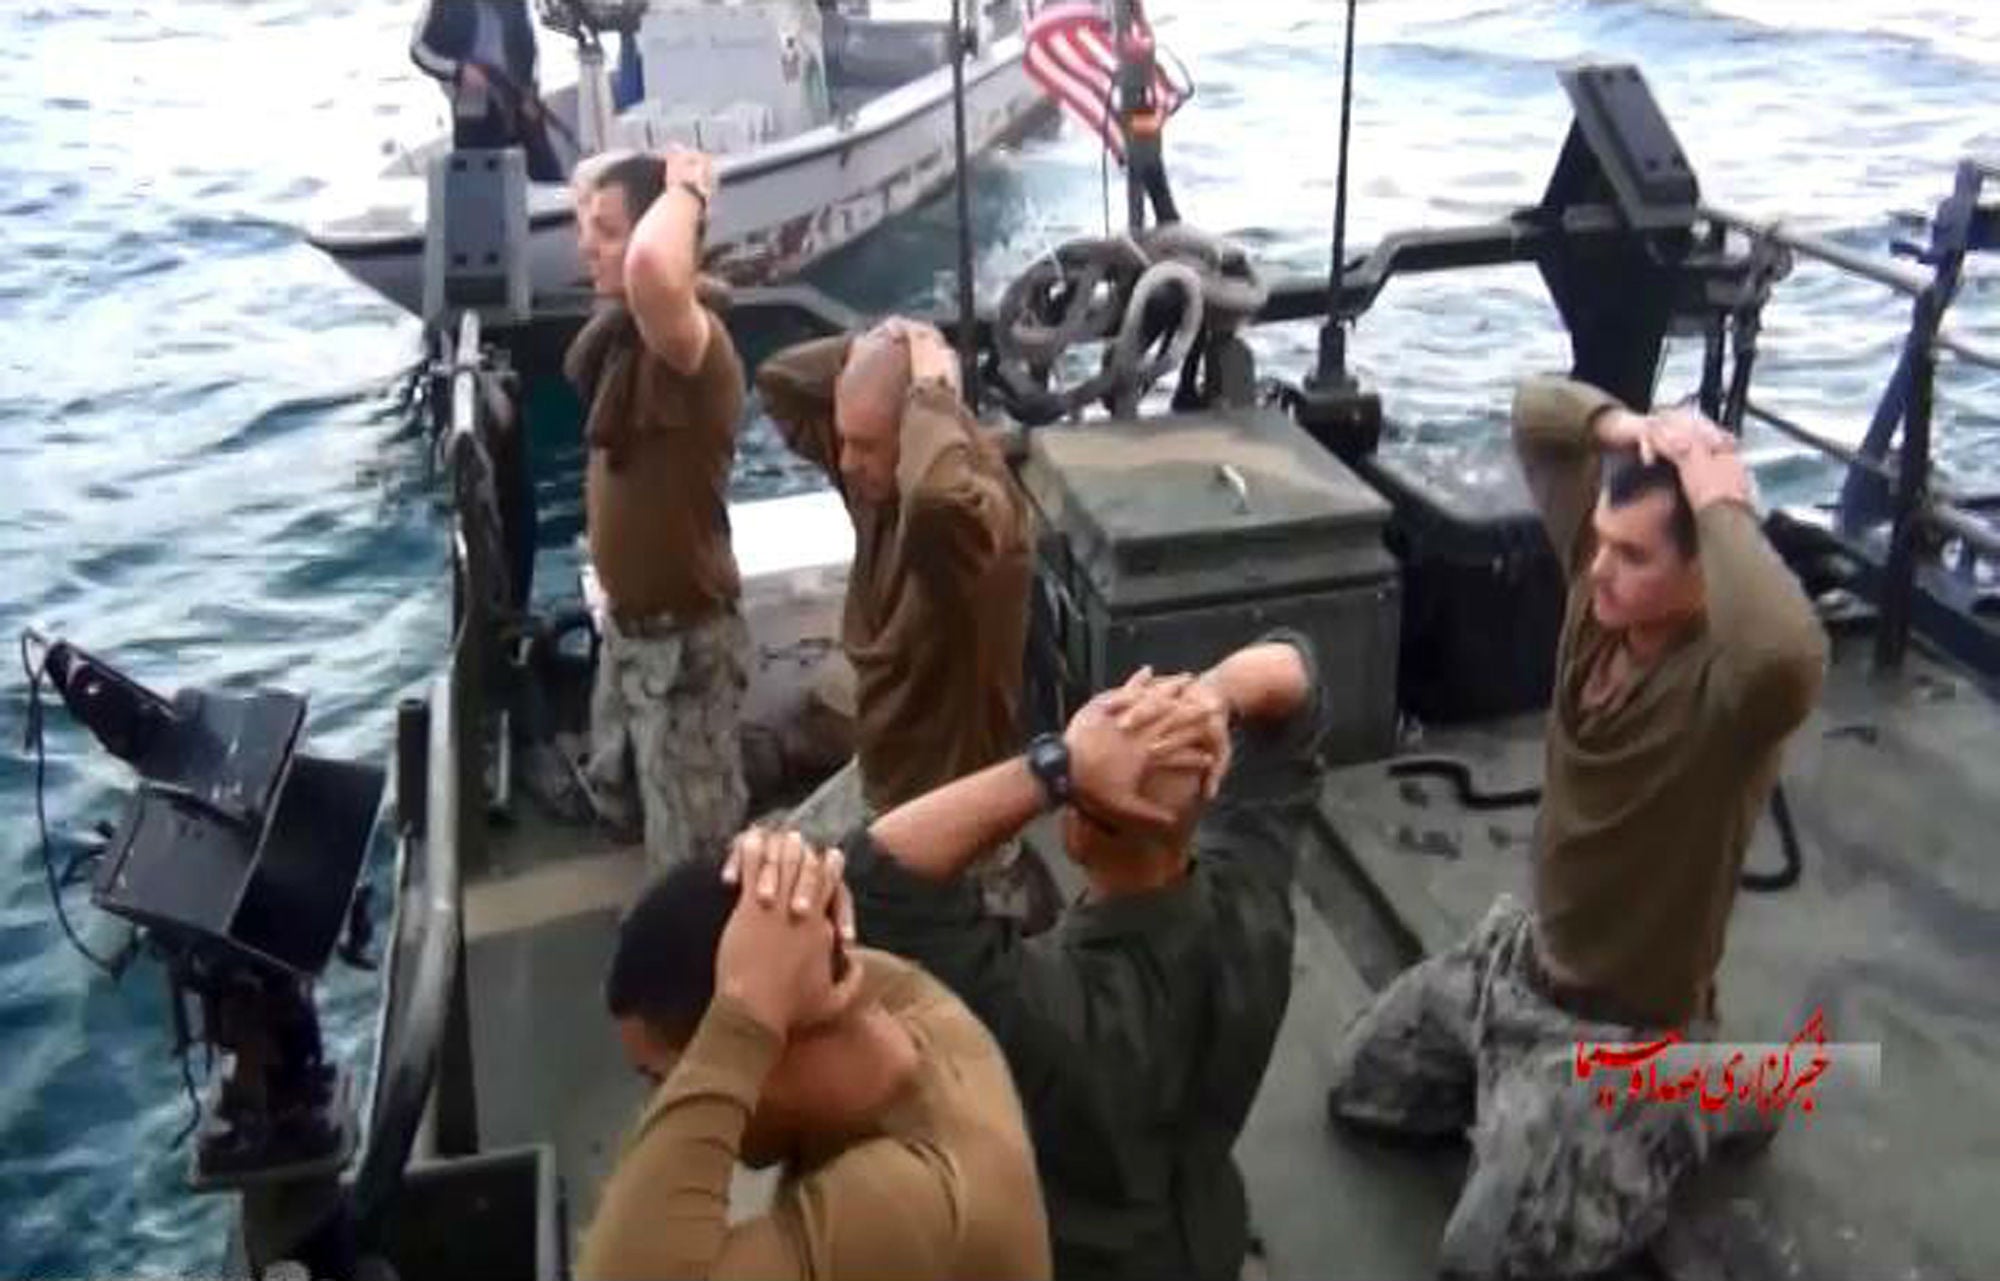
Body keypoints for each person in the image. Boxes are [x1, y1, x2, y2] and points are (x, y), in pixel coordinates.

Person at [1324, 379, 1831, 1280]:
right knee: (1364, 1084)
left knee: (1482, 1256)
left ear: (1703, 571)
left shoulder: (1729, 695)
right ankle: (1548, 1109)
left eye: (1634, 556)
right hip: (1521, 970)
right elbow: (1535, 415)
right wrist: (1641, 431)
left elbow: (1790, 648)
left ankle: (1689, 1099)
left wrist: (1718, 498)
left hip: (1624, 1031)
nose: (1600, 567)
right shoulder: (1599, 607)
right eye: (1600, 540)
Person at [808, 635, 1331, 1281]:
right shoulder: (1255, 899)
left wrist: (1055, 766)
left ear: (1075, 829)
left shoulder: (1049, 1009)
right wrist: (1204, 700)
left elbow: (874, 877)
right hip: (1206, 1231)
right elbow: (1293, 671)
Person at [579, 834, 1053, 1280]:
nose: (661, 1106)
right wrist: (778, 873)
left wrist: (739, 1027)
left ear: (766, 1039)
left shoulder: (917, 1201)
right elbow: (829, 906)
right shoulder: (901, 1000)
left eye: (662, 1078)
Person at [755, 320, 1042, 918]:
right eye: (843, 438)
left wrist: (932, 391)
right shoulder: (875, 484)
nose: (845, 460)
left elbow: (937, 500)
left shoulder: (976, 527)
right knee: (758, 885)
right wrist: (876, 344)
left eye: (864, 443)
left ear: (913, 436)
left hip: (946, 810)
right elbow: (779, 382)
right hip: (883, 775)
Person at [564, 148, 751, 870]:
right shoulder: (622, 342)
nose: (587, 245)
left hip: (685, 650)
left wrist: (689, 191)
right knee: (621, 797)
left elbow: (652, 269)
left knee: (695, 865)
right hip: (630, 636)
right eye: (586, 226)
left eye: (607, 230)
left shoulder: (691, 347)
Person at [410, 0, 565, 181]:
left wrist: (531, 89)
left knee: (549, 174)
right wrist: (459, 71)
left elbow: (527, 44)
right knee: (479, 178)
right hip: (472, 99)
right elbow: (418, 50)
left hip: (518, 93)